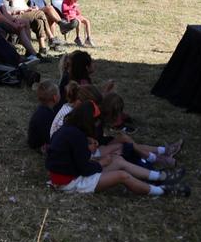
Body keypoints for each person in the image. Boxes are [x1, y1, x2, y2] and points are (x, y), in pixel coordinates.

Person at [45, 101, 186, 196]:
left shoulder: (68, 130)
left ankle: (160, 177)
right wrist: (101, 163)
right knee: (121, 176)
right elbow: (84, 168)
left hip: (67, 175)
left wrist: (94, 155)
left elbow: (71, 157)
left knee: (118, 160)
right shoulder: (76, 136)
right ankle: (162, 190)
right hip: (69, 182)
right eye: (96, 121)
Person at [27, 81, 59, 153]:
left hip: (35, 142)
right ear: (55, 97)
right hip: (38, 145)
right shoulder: (46, 115)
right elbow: (49, 136)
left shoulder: (43, 109)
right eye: (58, 93)